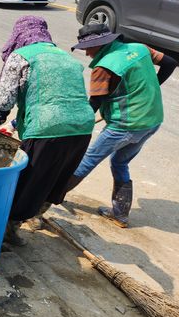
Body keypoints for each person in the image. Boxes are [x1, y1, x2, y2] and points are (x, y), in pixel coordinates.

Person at [0, 16, 95, 246]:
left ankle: (5, 233)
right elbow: (54, 98)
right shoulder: (66, 58)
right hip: (82, 128)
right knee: (53, 180)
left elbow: (4, 102)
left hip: (47, 129)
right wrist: (14, 125)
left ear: (18, 35)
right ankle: (27, 220)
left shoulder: (21, 56)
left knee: (26, 182)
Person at [65, 24, 177, 226]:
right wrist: (150, 87)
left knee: (88, 160)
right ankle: (120, 214)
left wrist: (72, 127)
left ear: (99, 45)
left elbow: (94, 105)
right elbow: (170, 63)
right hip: (152, 120)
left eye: (88, 49)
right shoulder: (139, 48)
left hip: (126, 124)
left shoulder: (104, 67)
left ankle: (48, 199)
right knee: (119, 162)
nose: (87, 54)